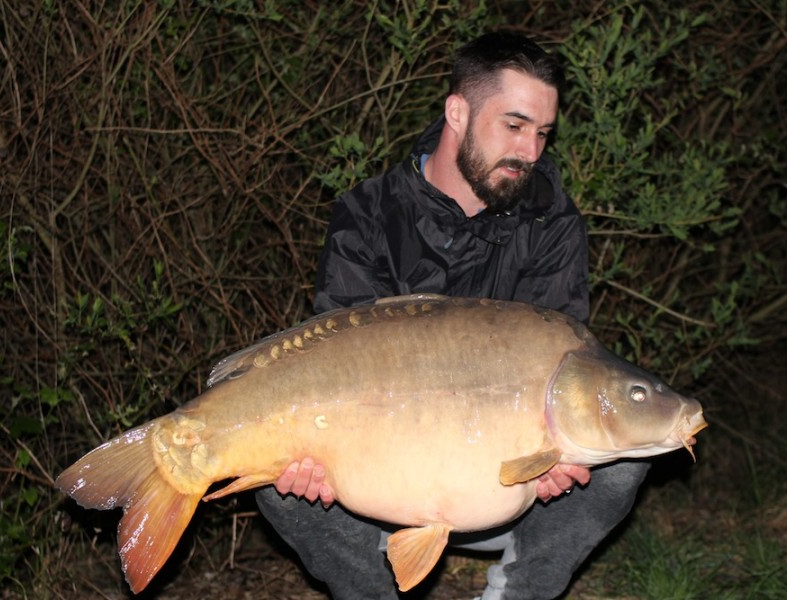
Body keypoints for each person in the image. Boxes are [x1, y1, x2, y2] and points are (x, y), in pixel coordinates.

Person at [255, 32, 649, 600]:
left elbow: (563, 366)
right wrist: (311, 459)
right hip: (377, 486)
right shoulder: (367, 215)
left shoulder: (551, 221)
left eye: (542, 133)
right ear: (457, 112)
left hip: (508, 487)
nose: (531, 152)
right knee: (277, 479)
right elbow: (334, 361)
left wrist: (558, 454)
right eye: (513, 126)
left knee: (620, 460)